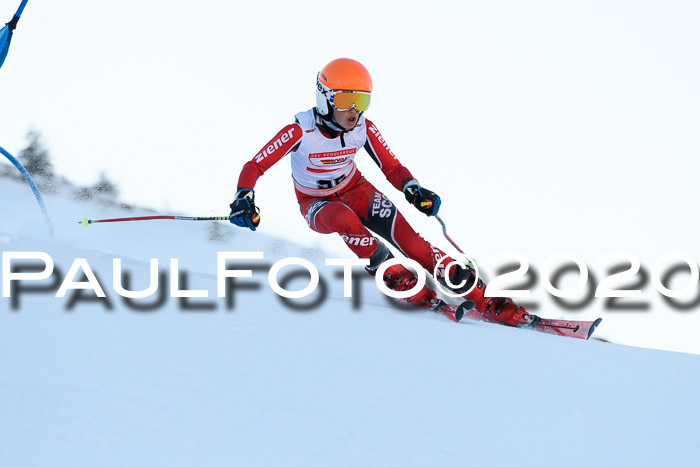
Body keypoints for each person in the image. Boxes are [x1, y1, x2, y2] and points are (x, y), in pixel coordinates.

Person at [229, 58, 533, 327]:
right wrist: (244, 197)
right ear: (325, 98)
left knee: (414, 244)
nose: (354, 110)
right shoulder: (300, 130)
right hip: (317, 203)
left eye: (361, 101)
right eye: (346, 99)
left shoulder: (364, 128)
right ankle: (403, 281)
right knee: (344, 219)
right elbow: (255, 165)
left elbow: (392, 167)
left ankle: (485, 299)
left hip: (356, 189)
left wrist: (413, 189)